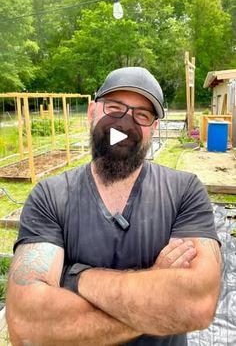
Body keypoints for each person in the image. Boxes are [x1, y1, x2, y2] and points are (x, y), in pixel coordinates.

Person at [6, 67, 221, 346]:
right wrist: (156, 298)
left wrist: (78, 278)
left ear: (153, 128)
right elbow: (27, 325)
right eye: (114, 107)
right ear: (92, 112)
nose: (124, 124)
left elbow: (196, 304)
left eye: (142, 115)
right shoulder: (50, 197)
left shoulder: (185, 192)